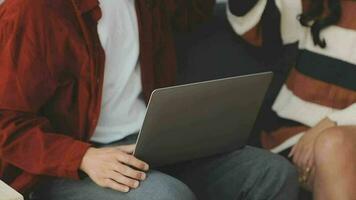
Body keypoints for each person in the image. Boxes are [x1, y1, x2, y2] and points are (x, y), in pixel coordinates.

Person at [0, 0, 298, 199]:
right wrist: (82, 158)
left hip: (150, 142)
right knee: (165, 196)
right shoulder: (33, 10)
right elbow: (6, 123)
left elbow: (194, 12)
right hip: (71, 163)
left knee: (272, 173)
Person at [227, 0, 356, 199]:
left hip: (341, 134)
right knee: (332, 148)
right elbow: (253, 25)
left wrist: (332, 123)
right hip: (295, 135)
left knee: (333, 144)